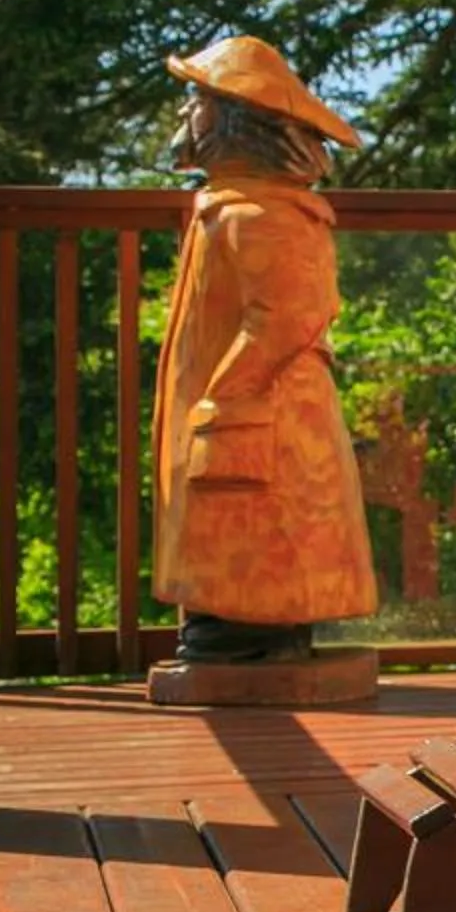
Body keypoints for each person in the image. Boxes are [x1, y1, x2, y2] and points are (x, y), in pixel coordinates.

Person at [151, 36, 380, 662]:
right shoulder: (229, 207)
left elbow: (287, 316)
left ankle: (255, 631)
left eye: (197, 100)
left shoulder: (262, 214)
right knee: (234, 524)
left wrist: (223, 396)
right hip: (247, 407)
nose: (183, 115)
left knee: (261, 522)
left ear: (234, 123)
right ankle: (230, 625)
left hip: (264, 411)